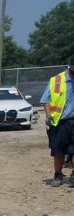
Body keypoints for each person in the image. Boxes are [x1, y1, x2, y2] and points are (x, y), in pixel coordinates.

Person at [40, 55, 74, 187]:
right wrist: (48, 116)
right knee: (59, 150)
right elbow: (45, 100)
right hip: (60, 122)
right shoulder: (57, 80)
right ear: (70, 65)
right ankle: (58, 174)